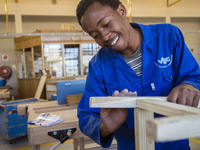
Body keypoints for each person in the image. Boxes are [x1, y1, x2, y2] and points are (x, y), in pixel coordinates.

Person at [76, 0, 200, 149]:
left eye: (107, 24)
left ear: (121, 11)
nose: (104, 37)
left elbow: (193, 76)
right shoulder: (98, 65)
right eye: (95, 35)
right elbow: (86, 116)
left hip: (175, 144)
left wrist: (188, 86)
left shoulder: (168, 36)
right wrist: (105, 127)